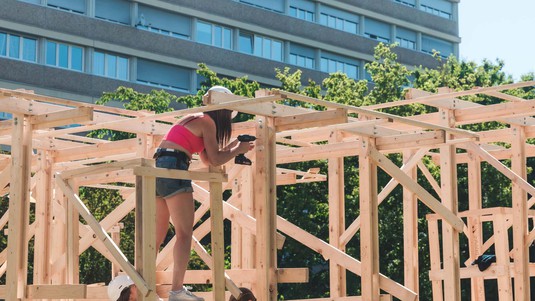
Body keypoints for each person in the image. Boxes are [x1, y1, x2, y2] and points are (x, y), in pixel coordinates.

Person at [154, 86, 254, 301]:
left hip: (159, 167)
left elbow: (208, 159)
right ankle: (176, 291)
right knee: (184, 233)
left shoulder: (194, 119)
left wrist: (235, 145)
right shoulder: (208, 122)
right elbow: (216, 160)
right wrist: (238, 150)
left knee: (157, 234)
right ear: (224, 112)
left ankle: (138, 283)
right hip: (175, 166)